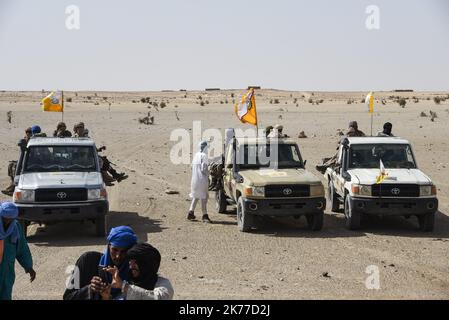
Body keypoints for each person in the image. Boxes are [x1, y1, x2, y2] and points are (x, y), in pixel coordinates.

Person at [63, 226, 137, 300]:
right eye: (114, 250)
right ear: (108, 246)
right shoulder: (87, 261)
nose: (118, 256)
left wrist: (123, 286)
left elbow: (145, 295)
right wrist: (89, 289)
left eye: (123, 251)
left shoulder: (136, 269)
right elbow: (68, 297)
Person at [103, 243, 174, 300]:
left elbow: (157, 298)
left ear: (148, 264)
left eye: (136, 262)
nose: (131, 267)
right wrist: (106, 297)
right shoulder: (130, 284)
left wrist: (124, 286)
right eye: (130, 262)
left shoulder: (164, 285)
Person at [0, 202, 36, 300]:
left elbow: (22, 248)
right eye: (5, 218)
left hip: (7, 271)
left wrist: (29, 267)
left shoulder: (15, 228)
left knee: (6, 294)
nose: (7, 221)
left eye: (10, 219)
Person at [1, 128, 33, 196]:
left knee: (16, 167)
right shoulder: (25, 140)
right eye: (27, 132)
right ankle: (12, 184)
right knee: (11, 165)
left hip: (31, 161)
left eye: (29, 132)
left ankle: (13, 187)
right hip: (25, 159)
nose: (27, 134)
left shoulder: (33, 140)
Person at [187, 141, 211, 223]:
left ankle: (191, 212)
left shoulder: (196, 155)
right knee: (204, 198)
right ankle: (205, 216)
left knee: (196, 196)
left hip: (194, 180)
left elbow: (191, 167)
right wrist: (209, 174)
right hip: (202, 180)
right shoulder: (204, 156)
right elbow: (204, 169)